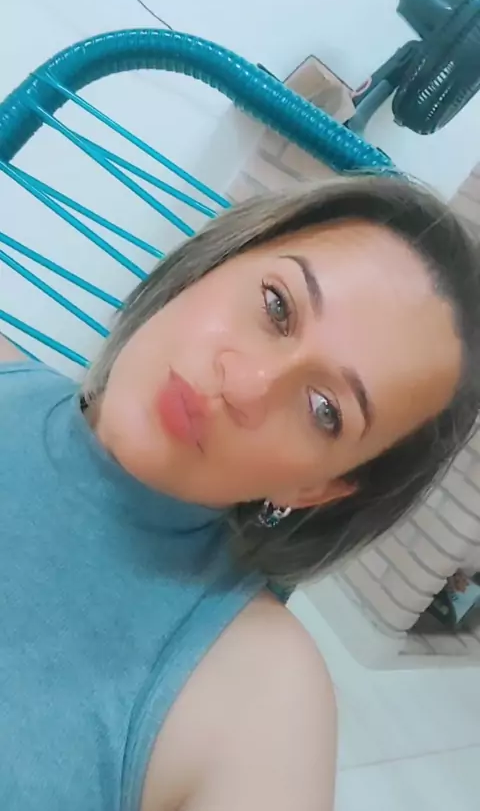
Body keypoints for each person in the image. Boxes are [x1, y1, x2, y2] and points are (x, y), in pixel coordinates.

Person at [1, 175, 479, 811]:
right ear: (217, 262)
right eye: (277, 307)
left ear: (316, 487)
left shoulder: (260, 695)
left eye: (324, 409)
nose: (244, 384)